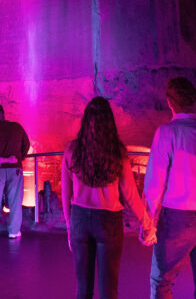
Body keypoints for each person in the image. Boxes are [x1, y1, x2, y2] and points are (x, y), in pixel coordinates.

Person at [142, 77, 196, 299]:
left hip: (177, 219)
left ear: (170, 102)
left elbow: (155, 181)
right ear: (194, 100)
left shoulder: (167, 132)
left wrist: (149, 222)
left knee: (162, 282)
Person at [61, 97, 152, 299]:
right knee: (109, 291)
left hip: (80, 219)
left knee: (83, 289)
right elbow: (129, 193)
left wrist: (70, 227)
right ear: (110, 122)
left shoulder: (71, 151)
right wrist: (146, 223)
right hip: (108, 219)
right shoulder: (117, 152)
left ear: (85, 121)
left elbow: (66, 195)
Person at [0, 103, 30, 239]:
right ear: (3, 113)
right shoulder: (16, 128)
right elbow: (26, 145)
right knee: (15, 200)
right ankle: (14, 231)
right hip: (14, 168)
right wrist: (19, 158)